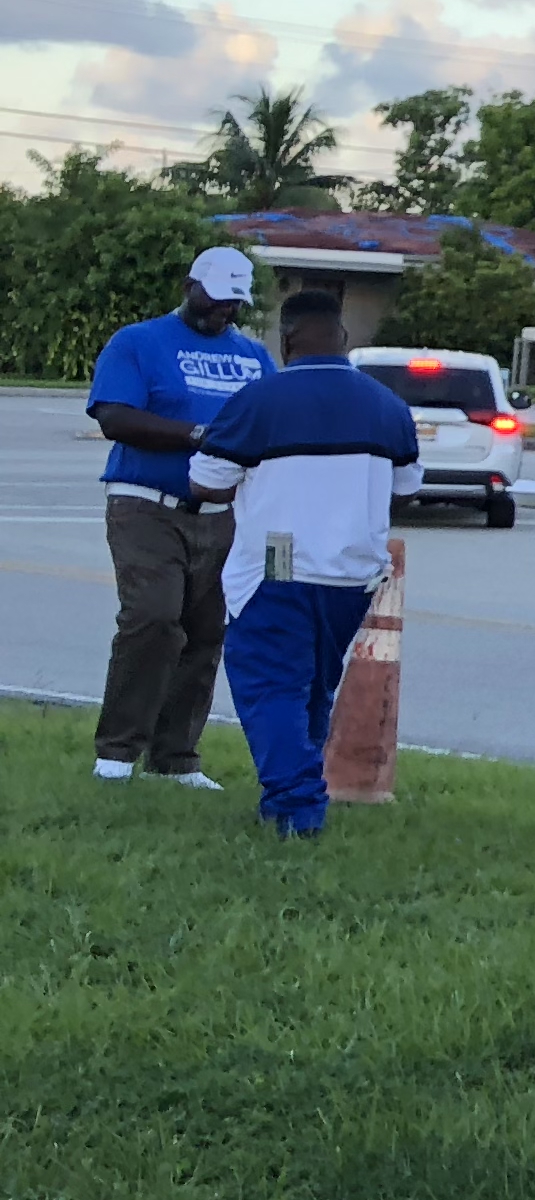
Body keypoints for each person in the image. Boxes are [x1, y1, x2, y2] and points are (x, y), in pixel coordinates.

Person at [182, 290, 418, 835]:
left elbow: (206, 483)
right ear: (344, 339)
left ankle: (296, 806)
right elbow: (404, 490)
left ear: (286, 342)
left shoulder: (257, 400)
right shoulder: (387, 405)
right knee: (314, 687)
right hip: (354, 572)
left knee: (270, 685)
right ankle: (293, 793)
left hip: (278, 561)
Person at [83, 245, 273, 786]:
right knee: (154, 617)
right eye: (215, 299)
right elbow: (115, 417)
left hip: (223, 511)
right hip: (146, 504)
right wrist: (199, 437)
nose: (224, 311)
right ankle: (117, 752)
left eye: (234, 303)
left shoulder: (254, 356)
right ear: (191, 286)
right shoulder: (139, 342)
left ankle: (175, 758)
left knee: (205, 630)